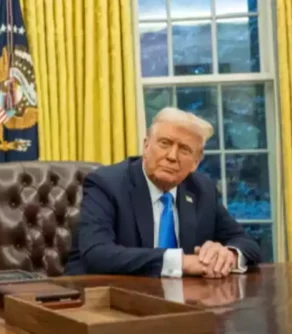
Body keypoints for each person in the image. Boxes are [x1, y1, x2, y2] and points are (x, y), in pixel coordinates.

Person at [65, 107, 261, 278]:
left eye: (184, 150)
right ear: (146, 146)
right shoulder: (106, 183)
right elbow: (97, 254)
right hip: (101, 297)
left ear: (196, 162)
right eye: (165, 143)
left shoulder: (202, 190)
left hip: (181, 299)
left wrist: (227, 255)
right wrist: (182, 262)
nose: (172, 156)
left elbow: (247, 243)